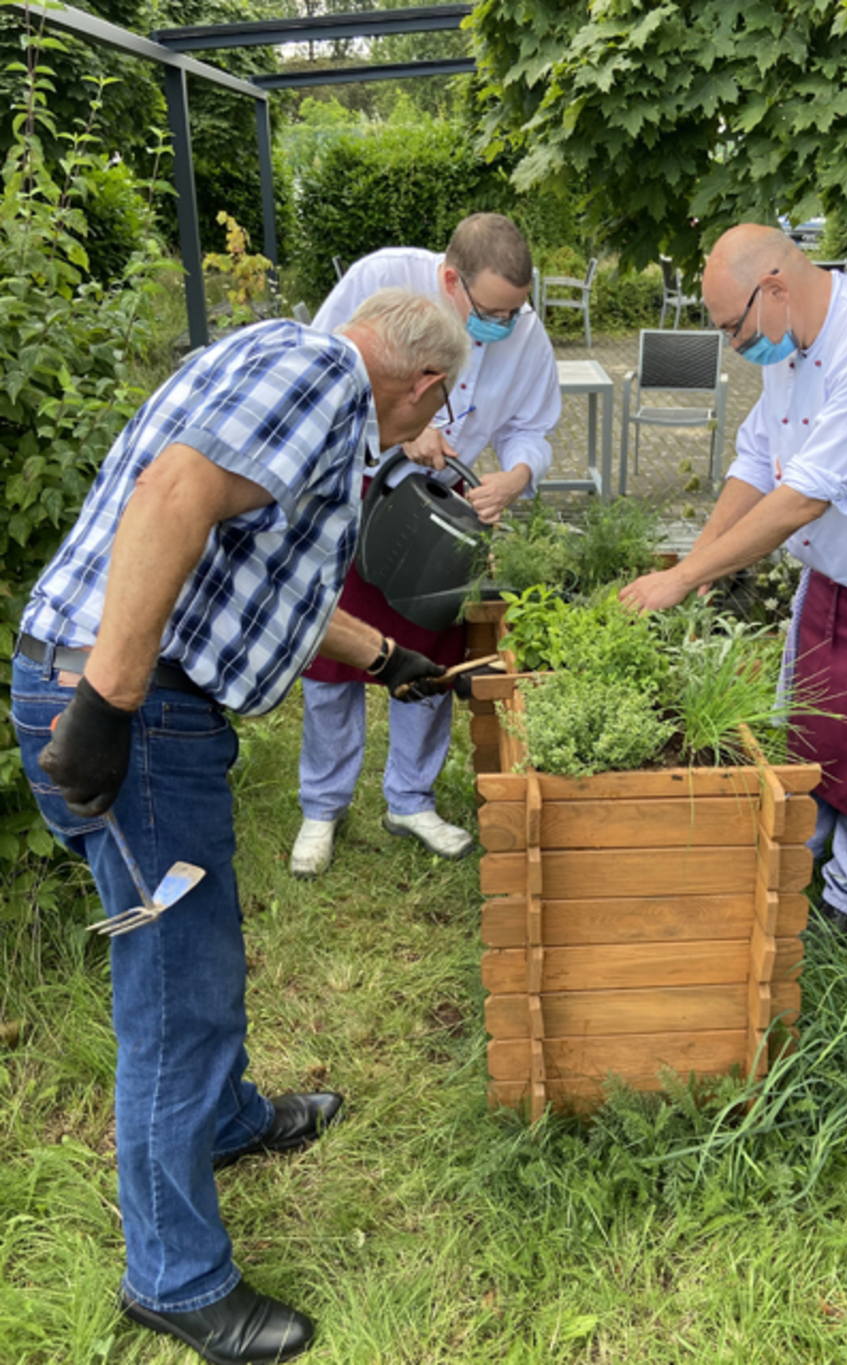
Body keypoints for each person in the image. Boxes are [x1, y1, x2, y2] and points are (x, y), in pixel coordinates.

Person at [11, 289, 468, 1364]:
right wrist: (111, 704)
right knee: (176, 991)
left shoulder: (273, 353)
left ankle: (222, 1125)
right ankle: (173, 1279)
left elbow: (256, 581)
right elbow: (174, 495)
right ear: (425, 383)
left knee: (196, 949)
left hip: (134, 694)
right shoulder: (326, 384)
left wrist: (384, 658)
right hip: (136, 705)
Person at [620, 224, 847, 938]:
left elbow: (807, 493)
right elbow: (760, 460)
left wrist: (693, 574)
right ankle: (803, 846)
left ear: (776, 288)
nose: (734, 345)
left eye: (734, 327)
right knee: (813, 715)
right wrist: (696, 561)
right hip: (837, 561)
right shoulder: (788, 341)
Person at [290, 212, 561, 875]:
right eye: (493, 310)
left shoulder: (522, 328)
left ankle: (409, 798)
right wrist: (393, 428)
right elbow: (316, 371)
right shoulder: (378, 279)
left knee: (431, 663)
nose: (506, 324)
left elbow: (533, 425)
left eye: (517, 310)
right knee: (334, 660)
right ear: (450, 280)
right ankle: (322, 807)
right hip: (358, 492)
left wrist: (516, 475)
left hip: (443, 515)